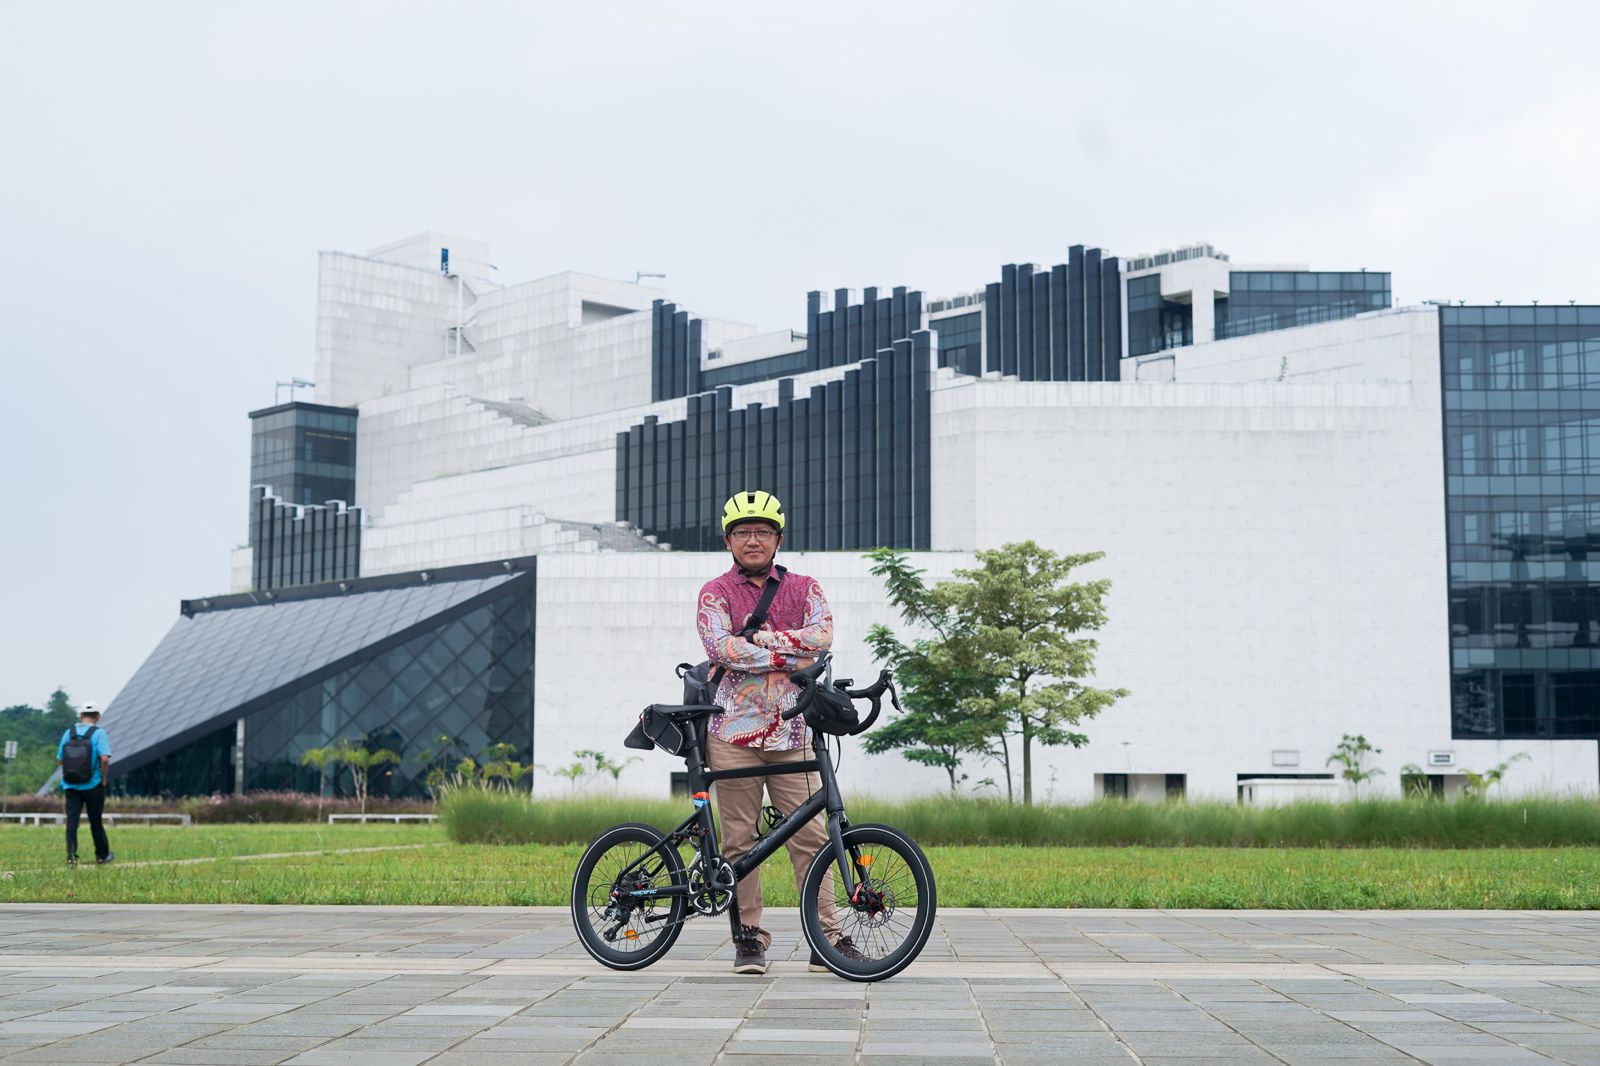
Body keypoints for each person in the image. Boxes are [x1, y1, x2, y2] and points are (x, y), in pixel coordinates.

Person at [697, 489, 865, 975]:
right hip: (732, 736)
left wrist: (761, 640)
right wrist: (787, 655)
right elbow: (720, 647)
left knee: (812, 839)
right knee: (738, 843)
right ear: (729, 541)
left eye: (763, 532)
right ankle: (748, 938)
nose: (754, 540)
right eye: (744, 533)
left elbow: (823, 637)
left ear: (778, 539)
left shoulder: (805, 587)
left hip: (794, 734)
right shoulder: (715, 592)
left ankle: (826, 939)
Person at [58, 701, 113, 867]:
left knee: (72, 821)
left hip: (71, 786)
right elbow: (104, 758)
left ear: (81, 715)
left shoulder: (69, 732)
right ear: (98, 716)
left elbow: (61, 759)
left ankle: (71, 858)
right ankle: (102, 856)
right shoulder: (99, 733)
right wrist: (103, 778)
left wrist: (73, 772)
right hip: (93, 784)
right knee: (95, 821)